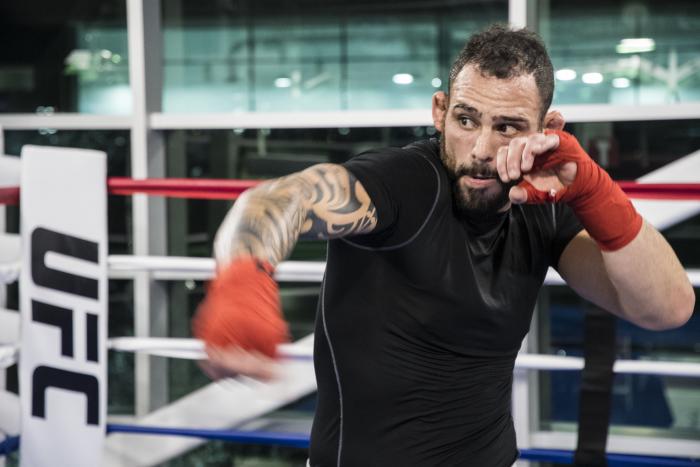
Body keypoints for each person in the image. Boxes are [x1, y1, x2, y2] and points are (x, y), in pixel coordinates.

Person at [193, 24, 695, 466]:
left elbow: (666, 308)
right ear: (440, 112)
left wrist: (595, 190)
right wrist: (243, 278)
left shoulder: (544, 204)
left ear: (548, 131)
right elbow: (280, 200)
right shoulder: (406, 184)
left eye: (507, 128)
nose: (479, 150)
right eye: (467, 119)